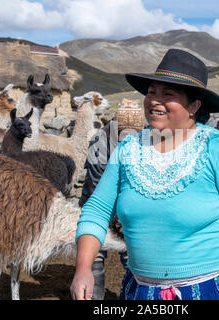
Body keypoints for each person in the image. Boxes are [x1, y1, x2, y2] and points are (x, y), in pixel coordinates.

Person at [71, 49, 219, 300]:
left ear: (194, 106)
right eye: (151, 92)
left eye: (168, 94)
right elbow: (97, 209)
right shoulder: (128, 149)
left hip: (213, 290)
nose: (154, 101)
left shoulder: (217, 149)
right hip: (142, 291)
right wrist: (83, 269)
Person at [78, 103, 144, 300]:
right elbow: (97, 185)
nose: (130, 136)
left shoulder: (148, 139)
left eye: (136, 131)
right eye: (125, 131)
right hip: (98, 204)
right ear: (117, 125)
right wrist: (117, 220)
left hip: (129, 207)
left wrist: (130, 215)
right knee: (95, 256)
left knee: (133, 258)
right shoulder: (101, 141)